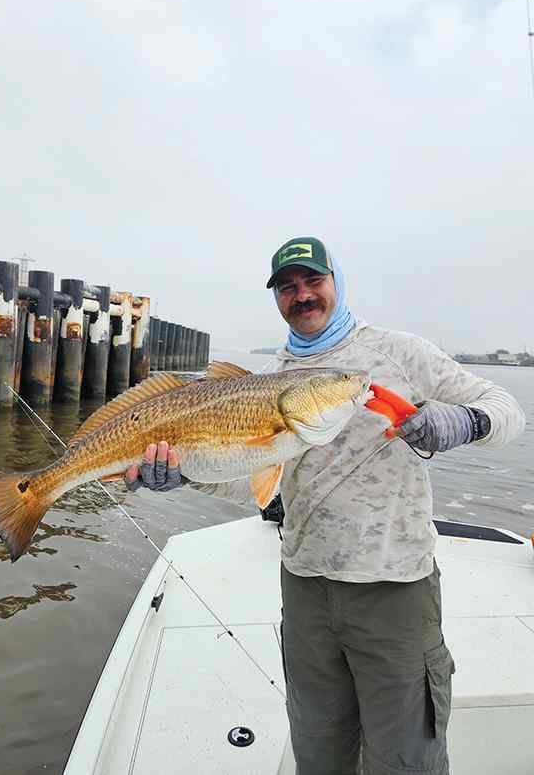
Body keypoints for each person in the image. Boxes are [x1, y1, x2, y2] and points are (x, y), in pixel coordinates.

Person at [124, 236, 526, 775]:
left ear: (336, 282)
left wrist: (464, 422)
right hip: (306, 588)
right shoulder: (272, 378)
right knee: (318, 749)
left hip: (394, 587)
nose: (302, 295)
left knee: (406, 756)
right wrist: (187, 475)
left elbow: (506, 410)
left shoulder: (396, 353)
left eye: (314, 281)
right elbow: (258, 483)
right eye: (288, 288)